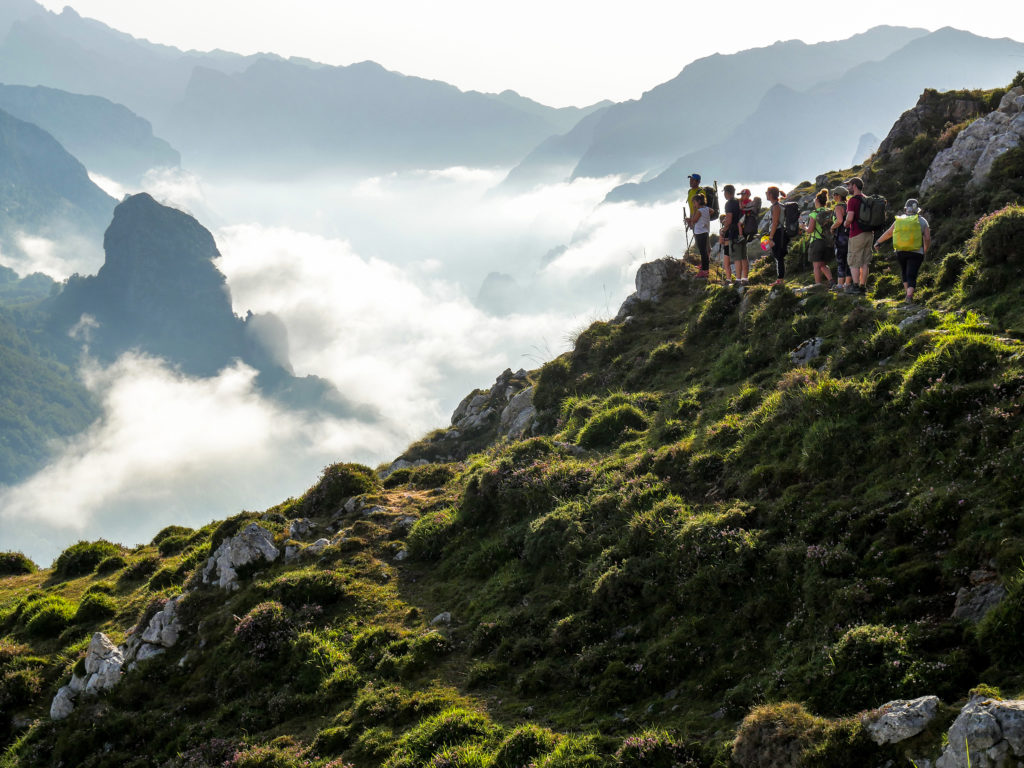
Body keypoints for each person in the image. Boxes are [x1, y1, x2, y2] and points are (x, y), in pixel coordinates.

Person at [874, 198, 930, 304]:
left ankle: (907, 294)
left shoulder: (899, 220)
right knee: (912, 273)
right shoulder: (922, 221)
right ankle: (909, 296)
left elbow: (890, 232)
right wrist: (925, 249)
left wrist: (878, 242)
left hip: (901, 251)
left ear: (905, 209)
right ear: (917, 210)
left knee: (905, 272)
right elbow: (927, 238)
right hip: (916, 252)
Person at [844, 177, 872, 295]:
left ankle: (855, 286)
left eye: (849, 185)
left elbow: (850, 218)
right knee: (865, 262)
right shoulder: (867, 199)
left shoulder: (852, 200)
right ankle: (862, 286)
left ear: (854, 185)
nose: (848, 188)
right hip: (869, 234)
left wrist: (845, 224)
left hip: (856, 234)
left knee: (854, 260)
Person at [805, 189, 834, 286]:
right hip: (828, 241)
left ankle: (818, 285)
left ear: (817, 201)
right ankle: (831, 281)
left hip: (816, 241)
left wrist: (803, 227)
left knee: (816, 266)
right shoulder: (829, 212)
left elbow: (810, 230)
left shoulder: (814, 213)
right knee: (823, 264)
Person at [721, 184, 745, 284]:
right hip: (741, 230)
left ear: (727, 193)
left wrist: (723, 229)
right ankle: (739, 278)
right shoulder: (738, 201)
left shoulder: (729, 204)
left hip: (733, 231)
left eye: (725, 193)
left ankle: (738, 279)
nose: (724, 195)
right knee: (739, 256)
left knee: (736, 256)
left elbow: (729, 219)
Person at [830, 186, 852, 292]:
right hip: (850, 235)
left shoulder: (838, 207)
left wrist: (832, 227)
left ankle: (839, 284)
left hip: (841, 237)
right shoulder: (848, 205)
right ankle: (847, 284)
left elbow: (839, 221)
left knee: (841, 260)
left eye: (834, 194)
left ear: (838, 196)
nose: (833, 196)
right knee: (849, 261)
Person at [766, 186, 788, 286]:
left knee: (779, 256)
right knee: (778, 256)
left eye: (767, 192)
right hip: (780, 232)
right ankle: (780, 279)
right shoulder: (779, 205)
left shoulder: (776, 207)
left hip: (778, 233)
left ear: (771, 194)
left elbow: (775, 223)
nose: (766, 194)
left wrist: (770, 238)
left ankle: (780, 280)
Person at [688, 192, 712, 278]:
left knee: (703, 252)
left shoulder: (699, 211)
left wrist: (691, 216)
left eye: (694, 202)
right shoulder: (706, 208)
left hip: (699, 232)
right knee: (704, 251)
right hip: (705, 231)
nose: (694, 204)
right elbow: (712, 211)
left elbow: (693, 220)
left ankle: (705, 271)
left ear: (698, 201)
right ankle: (703, 267)